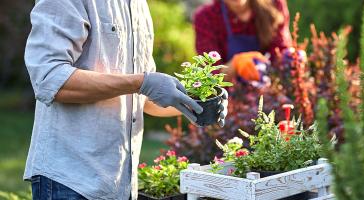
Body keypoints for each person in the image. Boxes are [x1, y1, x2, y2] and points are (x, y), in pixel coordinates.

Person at [23, 0, 227, 199]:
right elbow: (49, 78)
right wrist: (141, 83)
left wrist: (196, 105)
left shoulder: (138, 5)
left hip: (119, 184)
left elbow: (144, 98)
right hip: (70, 181)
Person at [194, 0, 292, 81]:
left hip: (270, 84)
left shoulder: (274, 5)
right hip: (231, 95)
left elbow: (281, 49)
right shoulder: (206, 18)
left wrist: (291, 58)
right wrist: (235, 65)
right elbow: (210, 75)